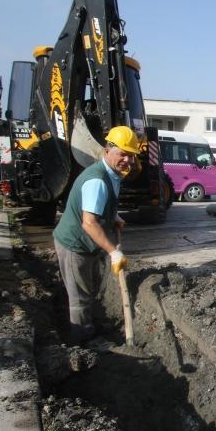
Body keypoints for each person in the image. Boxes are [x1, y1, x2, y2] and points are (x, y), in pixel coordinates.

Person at [52, 126, 140, 343]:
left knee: (90, 288)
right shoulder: (97, 180)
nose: (128, 160)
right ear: (108, 150)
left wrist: (113, 215)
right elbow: (89, 223)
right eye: (123, 154)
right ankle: (83, 341)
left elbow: (97, 206)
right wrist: (113, 252)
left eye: (131, 155)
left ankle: (91, 325)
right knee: (79, 297)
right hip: (74, 245)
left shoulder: (112, 174)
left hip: (87, 244)